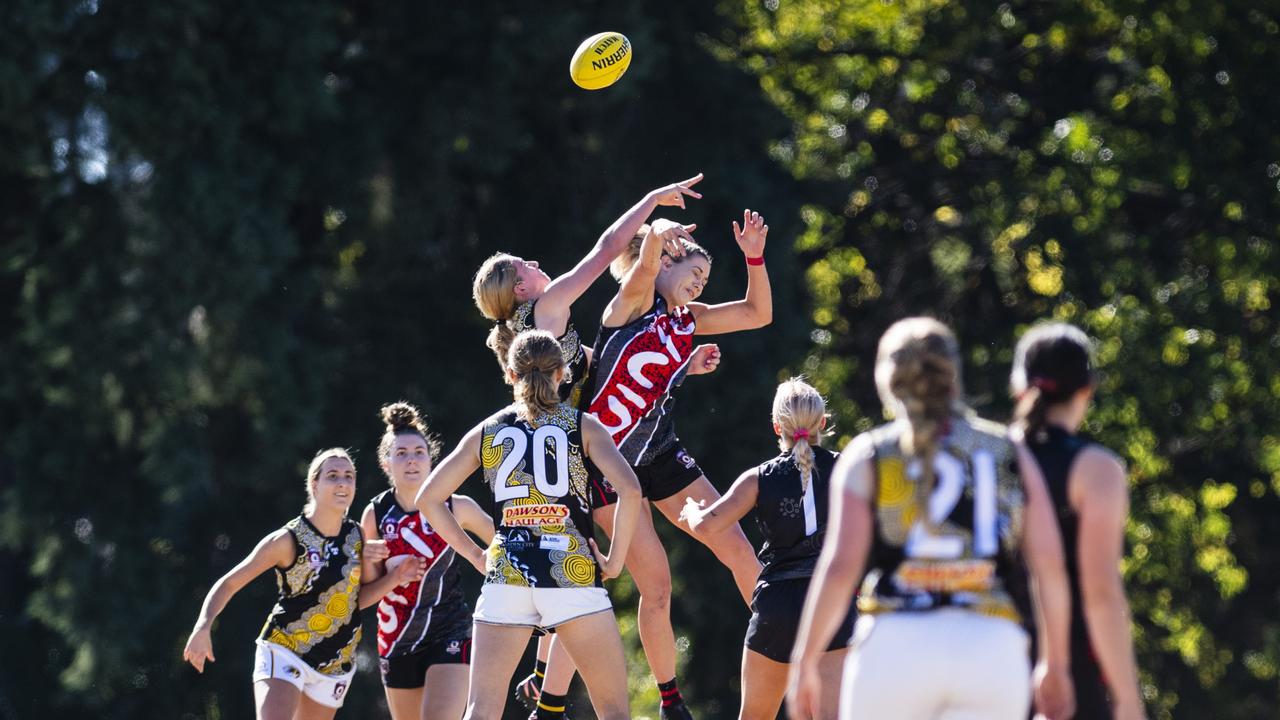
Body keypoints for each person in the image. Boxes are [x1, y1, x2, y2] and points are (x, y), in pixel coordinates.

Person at [471, 176, 718, 719]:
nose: (538, 264)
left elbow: (608, 376)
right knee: (607, 581)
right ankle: (561, 694)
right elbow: (607, 249)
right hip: (580, 458)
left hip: (553, 463)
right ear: (520, 288)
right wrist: (651, 202)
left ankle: (545, 693)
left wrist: (683, 365)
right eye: (527, 265)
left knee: (571, 580)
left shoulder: (527, 330)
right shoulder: (549, 305)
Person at [786, 317, 1076, 720]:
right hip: (990, 648)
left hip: (894, 648)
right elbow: (1049, 567)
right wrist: (1056, 663)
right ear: (953, 376)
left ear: (887, 379)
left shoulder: (870, 454)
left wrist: (805, 661)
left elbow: (839, 568)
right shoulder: (1008, 449)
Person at [580, 209, 773, 717]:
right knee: (657, 585)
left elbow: (757, 314)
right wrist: (661, 226)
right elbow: (643, 268)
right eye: (694, 272)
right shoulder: (633, 301)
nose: (699, 284)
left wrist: (754, 255)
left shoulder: (689, 320)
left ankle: (789, 639)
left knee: (734, 544)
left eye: (705, 280)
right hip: (607, 468)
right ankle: (670, 700)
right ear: (666, 262)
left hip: (661, 457)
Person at [414, 330, 644, 720]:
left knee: (481, 709)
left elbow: (428, 499)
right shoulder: (582, 426)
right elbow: (631, 491)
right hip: (569, 570)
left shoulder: (488, 431)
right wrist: (614, 561)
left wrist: (474, 554)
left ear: (510, 374)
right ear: (561, 374)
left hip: (508, 572)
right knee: (613, 711)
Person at [183, 449, 426, 720]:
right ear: (314, 484)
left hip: (335, 662)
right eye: (332, 476)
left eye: (349, 476)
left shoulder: (356, 534)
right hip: (286, 648)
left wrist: (394, 578)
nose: (342, 483)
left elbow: (356, 601)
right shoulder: (287, 540)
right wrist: (202, 626)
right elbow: (229, 583)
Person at [679, 378, 853, 720]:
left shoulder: (758, 478)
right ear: (822, 423)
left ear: (777, 426)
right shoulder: (848, 467)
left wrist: (691, 513)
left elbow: (710, 526)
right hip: (831, 599)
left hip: (778, 605)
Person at [1011, 323, 1146, 720]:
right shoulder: (1096, 469)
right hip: (1070, 669)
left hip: (987, 659)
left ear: (1020, 387)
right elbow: (1100, 593)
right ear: (1087, 388)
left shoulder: (987, 458)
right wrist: (1127, 698)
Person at [360, 402, 497, 720]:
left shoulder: (456, 506)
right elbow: (363, 597)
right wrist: (388, 575)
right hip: (396, 638)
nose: (411, 460)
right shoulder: (375, 515)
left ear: (432, 459)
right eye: (402, 453)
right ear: (386, 463)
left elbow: (504, 543)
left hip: (450, 630)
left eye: (419, 452)